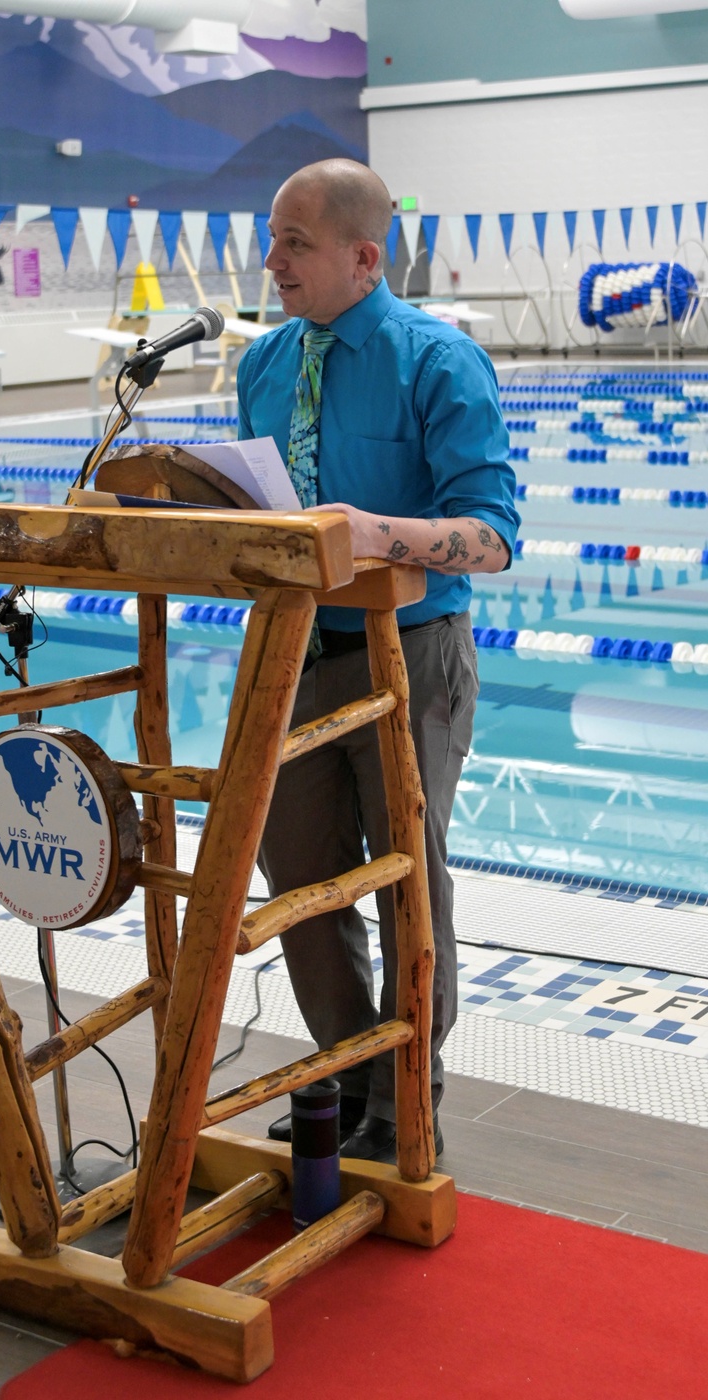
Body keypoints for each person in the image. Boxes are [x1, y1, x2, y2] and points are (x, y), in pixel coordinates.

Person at [236, 159, 520, 1162]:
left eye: (294, 243)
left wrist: (372, 531)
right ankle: (350, 1070)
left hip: (411, 658)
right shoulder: (262, 366)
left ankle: (407, 1096)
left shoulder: (436, 361)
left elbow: (491, 536)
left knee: (408, 875)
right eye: (271, 239)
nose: (270, 261)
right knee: (296, 870)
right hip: (291, 654)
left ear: (363, 256)